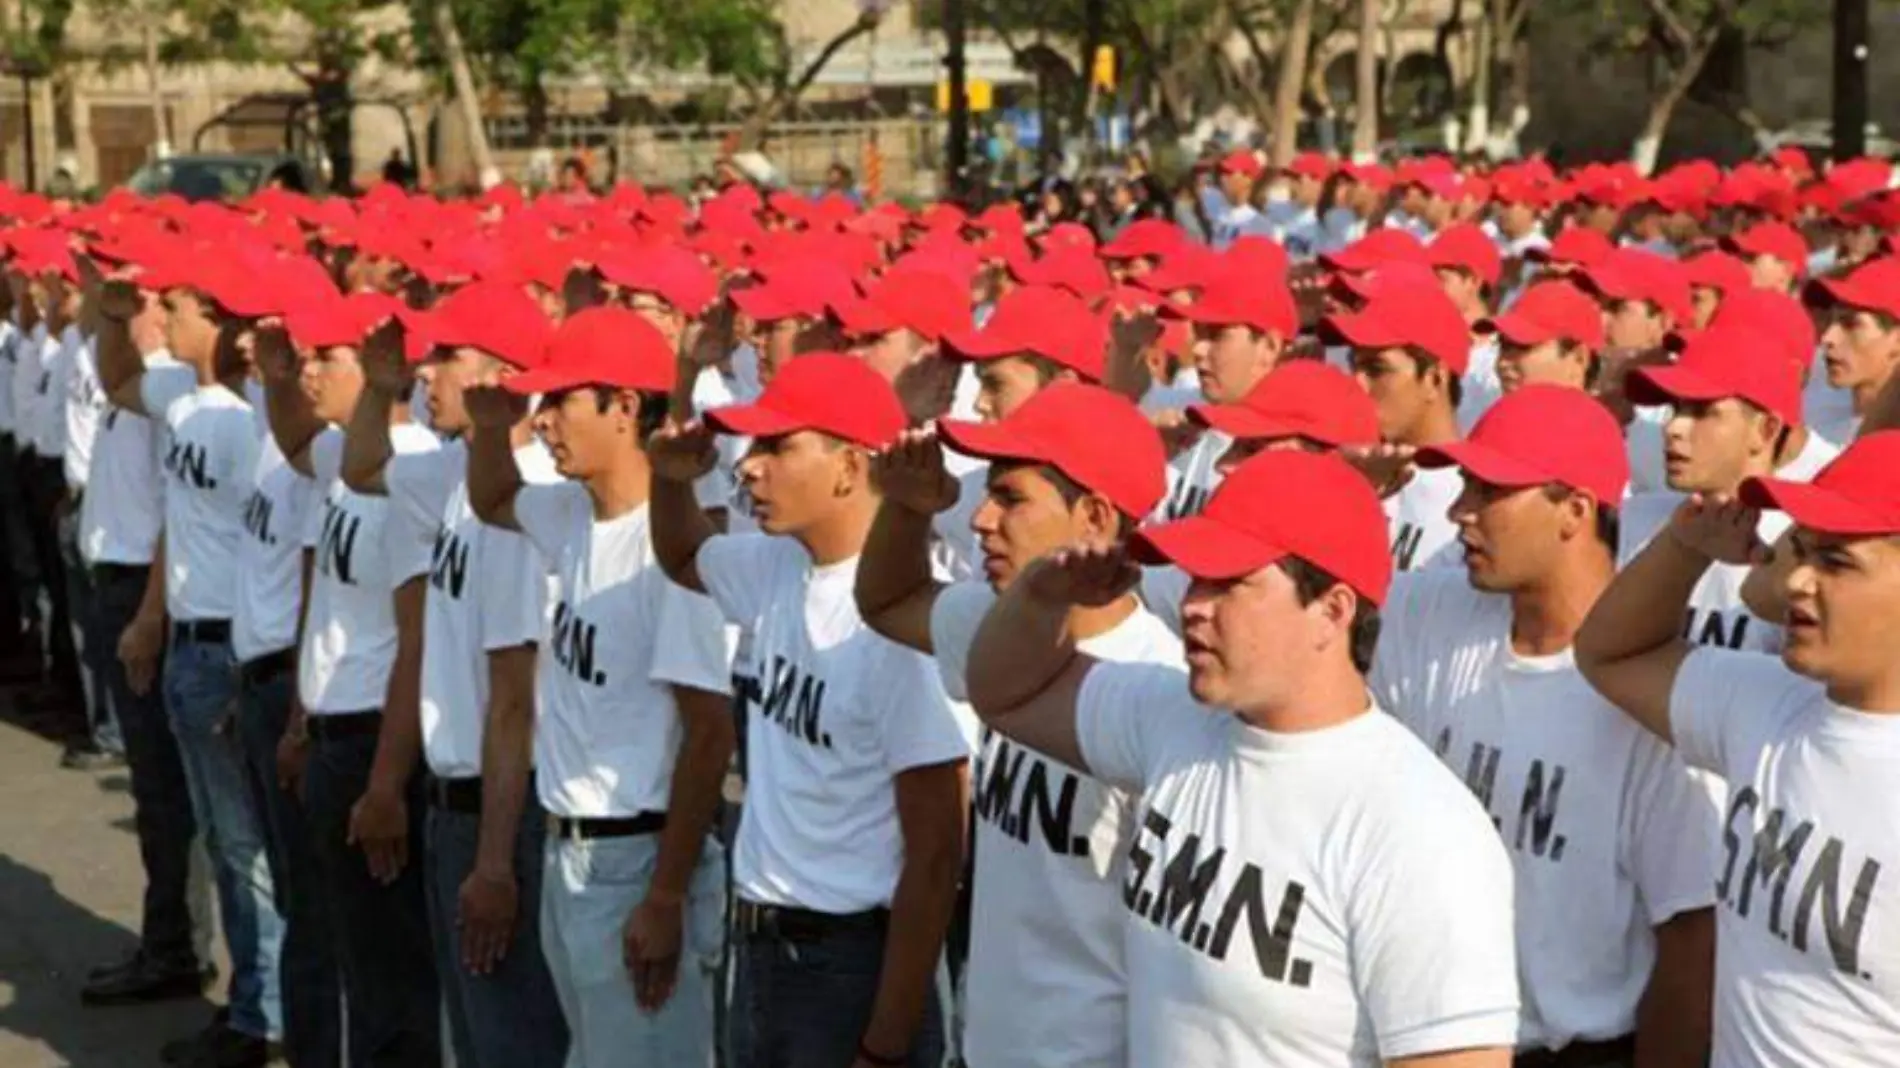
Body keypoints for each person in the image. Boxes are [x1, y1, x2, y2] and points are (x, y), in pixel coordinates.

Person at [961, 448, 1520, 1066]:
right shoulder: (1176, 717)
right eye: (1197, 577)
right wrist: (1043, 592)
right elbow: (1005, 693)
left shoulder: (1418, 830)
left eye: (1230, 582)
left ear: (1332, 611)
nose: (1195, 603)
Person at [1373, 385, 1719, 1067]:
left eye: (1488, 491)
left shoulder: (1652, 696)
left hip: (1573, 1051)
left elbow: (1691, 936)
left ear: (1575, 510)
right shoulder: (1428, 613)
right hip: (1419, 1033)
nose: (1458, 513)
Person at [649, 354, 973, 1068]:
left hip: (853, 966)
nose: (750, 466)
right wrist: (672, 481)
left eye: (777, 445)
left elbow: (937, 854)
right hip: (764, 948)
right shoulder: (776, 564)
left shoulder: (905, 625)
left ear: (850, 468)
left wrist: (883, 1046)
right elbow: (682, 557)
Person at [854, 384, 1179, 1068]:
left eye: (1012, 497)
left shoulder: (1164, 692)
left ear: (1093, 517)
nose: (980, 519)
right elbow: (887, 601)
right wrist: (909, 509)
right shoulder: (992, 624)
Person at [1575, 431, 1900, 1067]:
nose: (1797, 580)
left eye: (1837, 563)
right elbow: (1609, 653)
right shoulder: (1767, 703)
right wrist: (1685, 548)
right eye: (1801, 549)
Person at [465, 307, 733, 1065]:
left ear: (623, 406)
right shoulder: (573, 513)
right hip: (569, 855)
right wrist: (491, 426)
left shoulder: (672, 555)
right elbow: (491, 498)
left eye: (561, 402)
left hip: (638, 858)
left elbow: (710, 737)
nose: (542, 422)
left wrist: (668, 894)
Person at [339, 285, 571, 1067]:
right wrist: (376, 386)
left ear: (504, 376)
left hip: (501, 811)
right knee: (474, 1039)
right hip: (457, 808)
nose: (426, 374)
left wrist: (497, 861)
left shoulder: (526, 497)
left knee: (512, 1041)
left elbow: (516, 701)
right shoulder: (450, 473)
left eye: (447, 357)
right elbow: (363, 463)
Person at [95, 256, 287, 1065]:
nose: (160, 320)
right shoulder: (183, 400)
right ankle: (252, 1000)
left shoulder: (255, 424)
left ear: (223, 319)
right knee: (221, 837)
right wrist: (150, 616)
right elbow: (179, 510)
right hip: (186, 642)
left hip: (227, 650)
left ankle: (264, 1014)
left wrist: (255, 662)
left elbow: (270, 553)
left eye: (176, 306)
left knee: (249, 851)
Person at [265, 289, 443, 1065]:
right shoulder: (348, 459)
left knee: (390, 973)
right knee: (348, 950)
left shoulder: (420, 470)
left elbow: (417, 640)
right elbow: (298, 437)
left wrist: (384, 781)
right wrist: (302, 719)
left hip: (379, 739)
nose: (309, 375)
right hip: (334, 730)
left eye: (325, 359)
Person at [74, 267, 211, 1012]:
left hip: (144, 592)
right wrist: (111, 317)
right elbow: (113, 369)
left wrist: (149, 615)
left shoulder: (180, 391)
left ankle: (176, 946)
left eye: (144, 298)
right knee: (160, 789)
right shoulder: (142, 377)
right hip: (119, 581)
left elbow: (173, 515)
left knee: (166, 790)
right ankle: (171, 938)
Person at [1618, 326, 1825, 655]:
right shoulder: (1631, 519)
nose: (1674, 428)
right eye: (1675, 409)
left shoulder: (1801, 547)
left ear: (1765, 429)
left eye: (1702, 411)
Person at [1323, 279, 1472, 571]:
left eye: (1376, 369)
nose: (1357, 383)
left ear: (1434, 379)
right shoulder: (1347, 473)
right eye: (1355, 365)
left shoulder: (1479, 501)